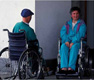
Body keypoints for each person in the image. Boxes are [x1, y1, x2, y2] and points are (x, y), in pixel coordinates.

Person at [60, 7, 86, 71]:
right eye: (74, 13)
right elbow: (63, 33)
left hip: (78, 42)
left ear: (79, 14)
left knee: (74, 47)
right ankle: (64, 67)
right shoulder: (67, 24)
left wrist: (73, 42)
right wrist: (66, 41)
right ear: (71, 15)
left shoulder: (82, 24)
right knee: (63, 46)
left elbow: (80, 34)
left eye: (77, 13)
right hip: (68, 42)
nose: (75, 15)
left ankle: (71, 67)